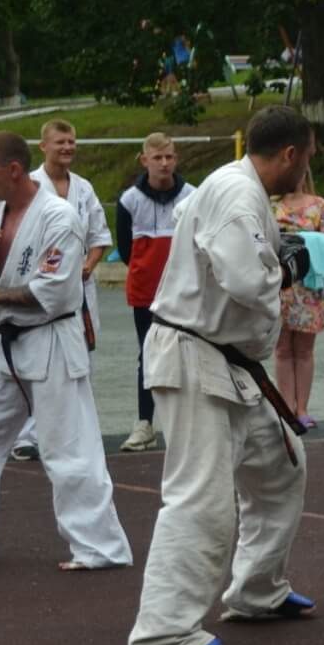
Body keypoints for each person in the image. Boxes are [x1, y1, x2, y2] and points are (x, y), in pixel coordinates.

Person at [126, 107, 318, 645]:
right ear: (290, 154)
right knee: (201, 496)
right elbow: (246, 281)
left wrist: (276, 252)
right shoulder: (236, 194)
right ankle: (163, 628)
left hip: (228, 361)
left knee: (280, 468)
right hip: (196, 356)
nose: (306, 170)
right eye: (306, 158)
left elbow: (242, 261)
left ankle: (257, 591)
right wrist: (286, 267)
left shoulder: (241, 190)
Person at [0, 133, 132, 571]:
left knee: (68, 449)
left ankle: (100, 548)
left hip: (51, 339)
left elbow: (48, 293)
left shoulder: (59, 218)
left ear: (14, 170)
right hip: (7, 345)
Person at [10, 119, 114, 462]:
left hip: (79, 289)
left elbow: (99, 236)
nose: (68, 147)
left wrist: (88, 265)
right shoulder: (30, 186)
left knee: (79, 359)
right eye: (60, 142)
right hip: (39, 286)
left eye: (71, 141)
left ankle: (73, 433)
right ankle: (27, 436)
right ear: (44, 146)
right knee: (35, 359)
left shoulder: (83, 188)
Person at [115, 133, 196, 452]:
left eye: (169, 157)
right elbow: (125, 250)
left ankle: (187, 424)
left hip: (184, 292)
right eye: (157, 157)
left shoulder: (192, 196)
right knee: (147, 355)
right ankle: (144, 424)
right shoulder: (129, 200)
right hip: (145, 293)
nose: (164, 163)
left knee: (188, 354)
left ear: (176, 159)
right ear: (144, 160)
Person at [272, 178, 324, 425]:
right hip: (280, 283)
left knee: (305, 350)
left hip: (309, 284)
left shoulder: (319, 204)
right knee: (282, 348)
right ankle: (286, 407)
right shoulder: (270, 203)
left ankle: (302, 409)